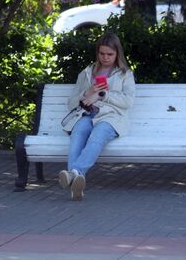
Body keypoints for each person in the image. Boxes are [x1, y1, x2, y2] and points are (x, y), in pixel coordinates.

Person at [58, 32, 135, 200]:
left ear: (117, 54)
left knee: (97, 136)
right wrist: (87, 92)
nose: (106, 58)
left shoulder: (124, 74)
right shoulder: (86, 73)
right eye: (102, 53)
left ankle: (74, 174)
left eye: (110, 54)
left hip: (111, 117)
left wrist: (102, 95)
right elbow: (71, 102)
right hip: (87, 115)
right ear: (97, 53)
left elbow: (128, 101)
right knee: (78, 134)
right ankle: (77, 182)